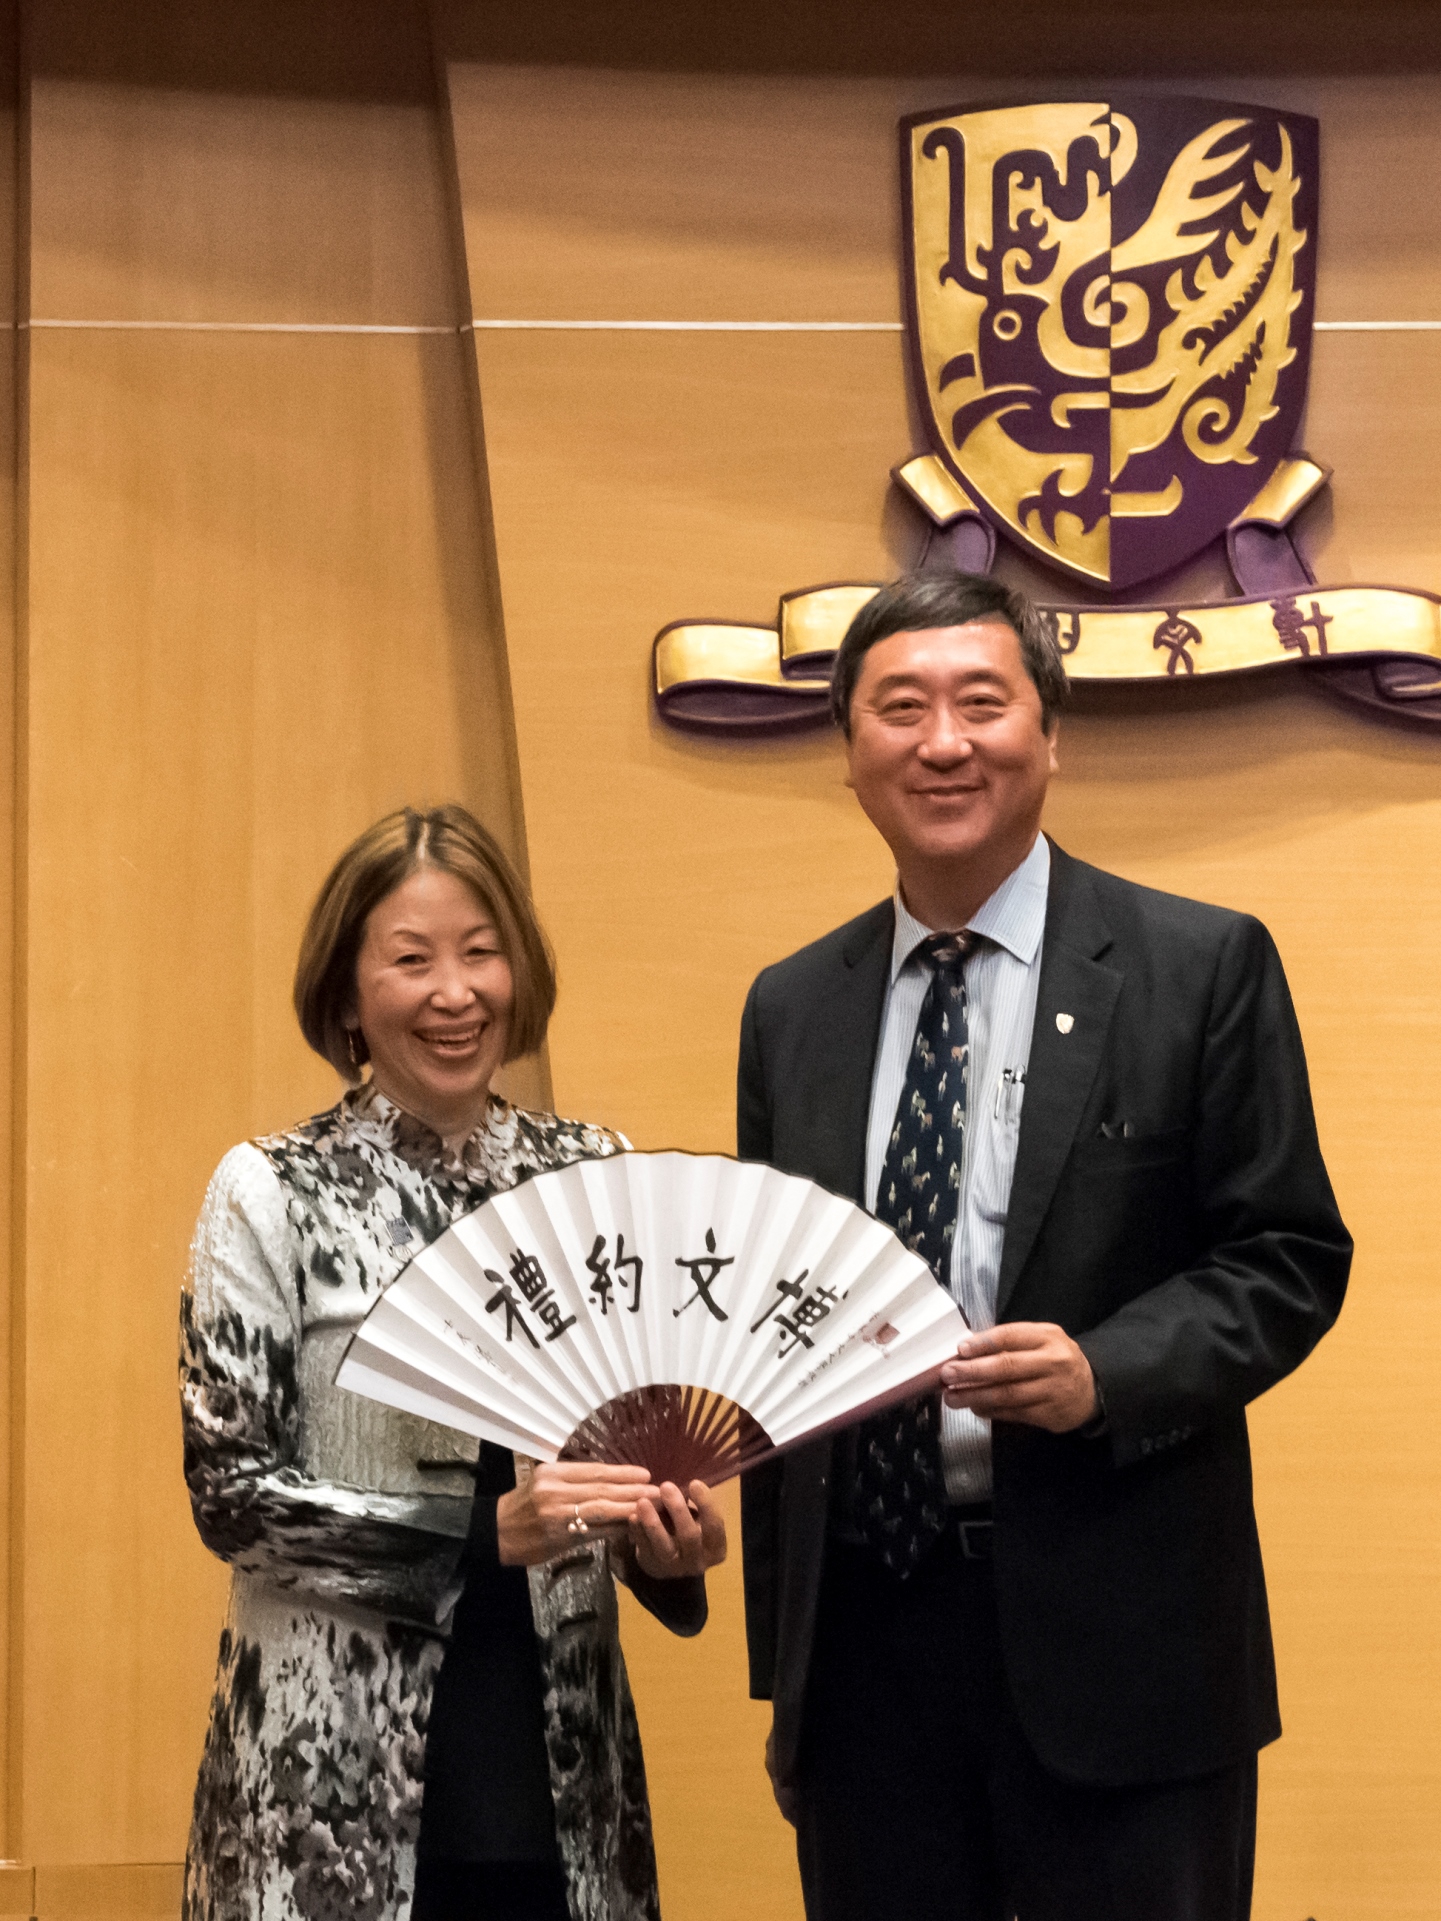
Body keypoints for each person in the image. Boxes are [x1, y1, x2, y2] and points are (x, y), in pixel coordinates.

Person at [737, 572, 1351, 1921]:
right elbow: (767, 1311)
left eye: (980, 702)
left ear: (1049, 738)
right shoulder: (792, 1009)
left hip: (1122, 1639)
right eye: (898, 709)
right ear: (849, 755)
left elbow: (1286, 1255)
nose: (941, 741)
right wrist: (783, 1668)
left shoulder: (1197, 966)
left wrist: (1106, 1372)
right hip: (867, 1658)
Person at [181, 804, 726, 1921]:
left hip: (556, 1765)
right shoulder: (271, 1189)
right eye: (412, 959)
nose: (455, 991)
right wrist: (485, 1536)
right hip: (325, 1770)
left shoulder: (597, 1176)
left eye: (482, 952)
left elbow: (625, 1457)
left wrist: (668, 1542)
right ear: (345, 994)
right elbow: (231, 1494)